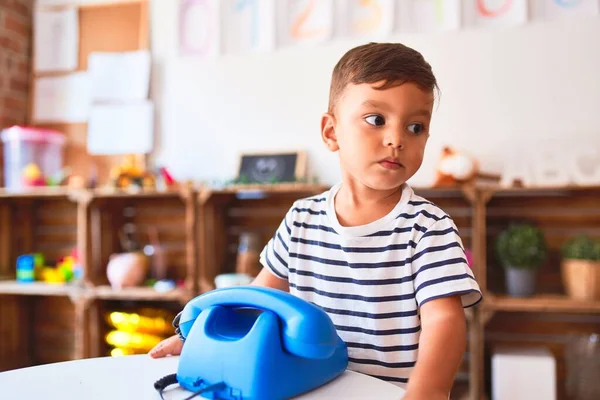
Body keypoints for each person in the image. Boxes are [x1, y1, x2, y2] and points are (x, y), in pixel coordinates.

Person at [149, 42, 482, 400]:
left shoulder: (430, 228)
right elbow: (259, 297)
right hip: (311, 389)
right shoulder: (301, 219)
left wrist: (427, 391)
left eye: (416, 127)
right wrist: (196, 337)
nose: (396, 139)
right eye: (376, 120)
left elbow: (444, 321)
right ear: (331, 132)